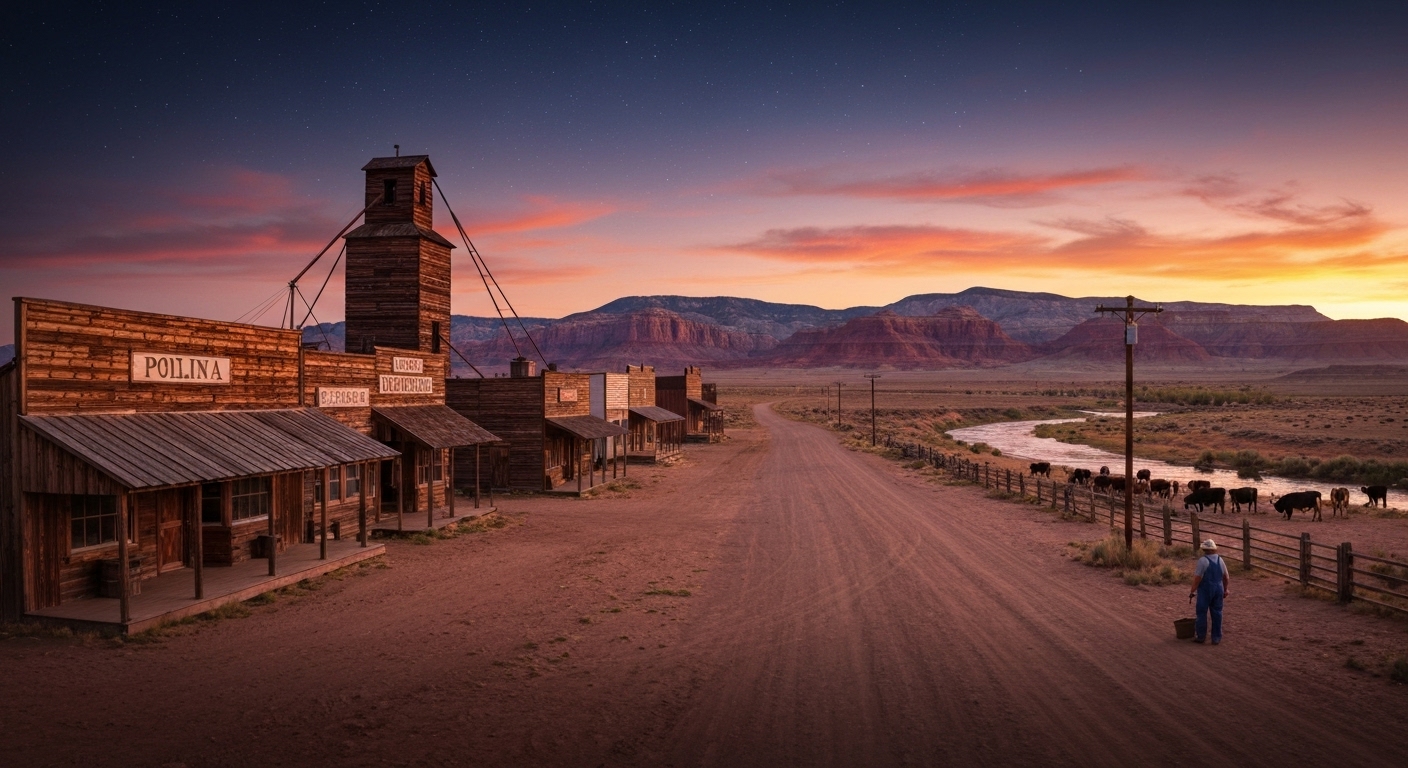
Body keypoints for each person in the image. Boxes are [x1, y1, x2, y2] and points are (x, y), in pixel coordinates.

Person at [1189, 539, 1230, 644]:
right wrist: (1225, 589)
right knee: (1217, 613)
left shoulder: (1203, 561)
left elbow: (1198, 578)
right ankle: (1216, 638)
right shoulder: (1220, 560)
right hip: (1218, 588)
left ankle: (1201, 636)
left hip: (1205, 589)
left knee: (1201, 613)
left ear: (1204, 549)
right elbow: (1226, 577)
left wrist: (1192, 590)